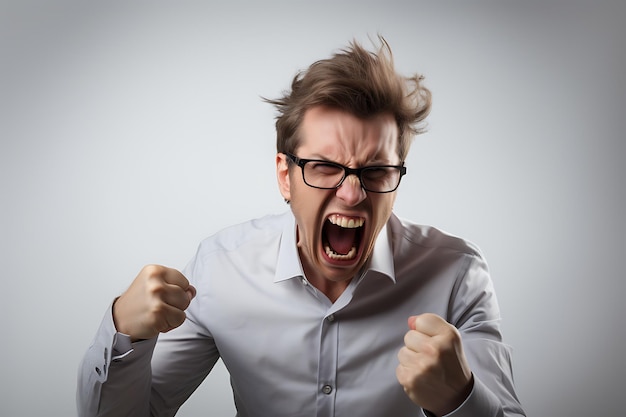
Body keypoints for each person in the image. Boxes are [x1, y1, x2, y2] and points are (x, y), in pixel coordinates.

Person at [77, 38, 525, 417]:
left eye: (376, 171)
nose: (353, 194)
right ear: (284, 176)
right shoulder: (222, 268)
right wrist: (124, 334)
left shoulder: (457, 273)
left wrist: (460, 399)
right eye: (325, 166)